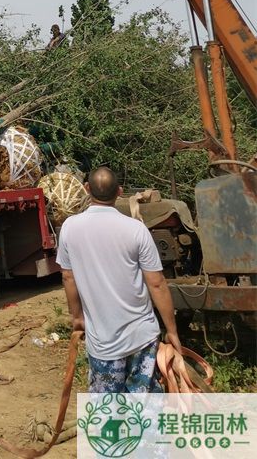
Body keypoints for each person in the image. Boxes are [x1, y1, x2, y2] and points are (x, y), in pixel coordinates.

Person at [56, 165, 182, 393]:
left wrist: (77, 317)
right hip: (142, 337)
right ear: (120, 192)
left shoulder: (69, 228)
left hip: (103, 342)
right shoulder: (136, 230)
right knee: (145, 409)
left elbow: (68, 277)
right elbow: (157, 283)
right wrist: (171, 329)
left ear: (86, 189)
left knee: (108, 413)